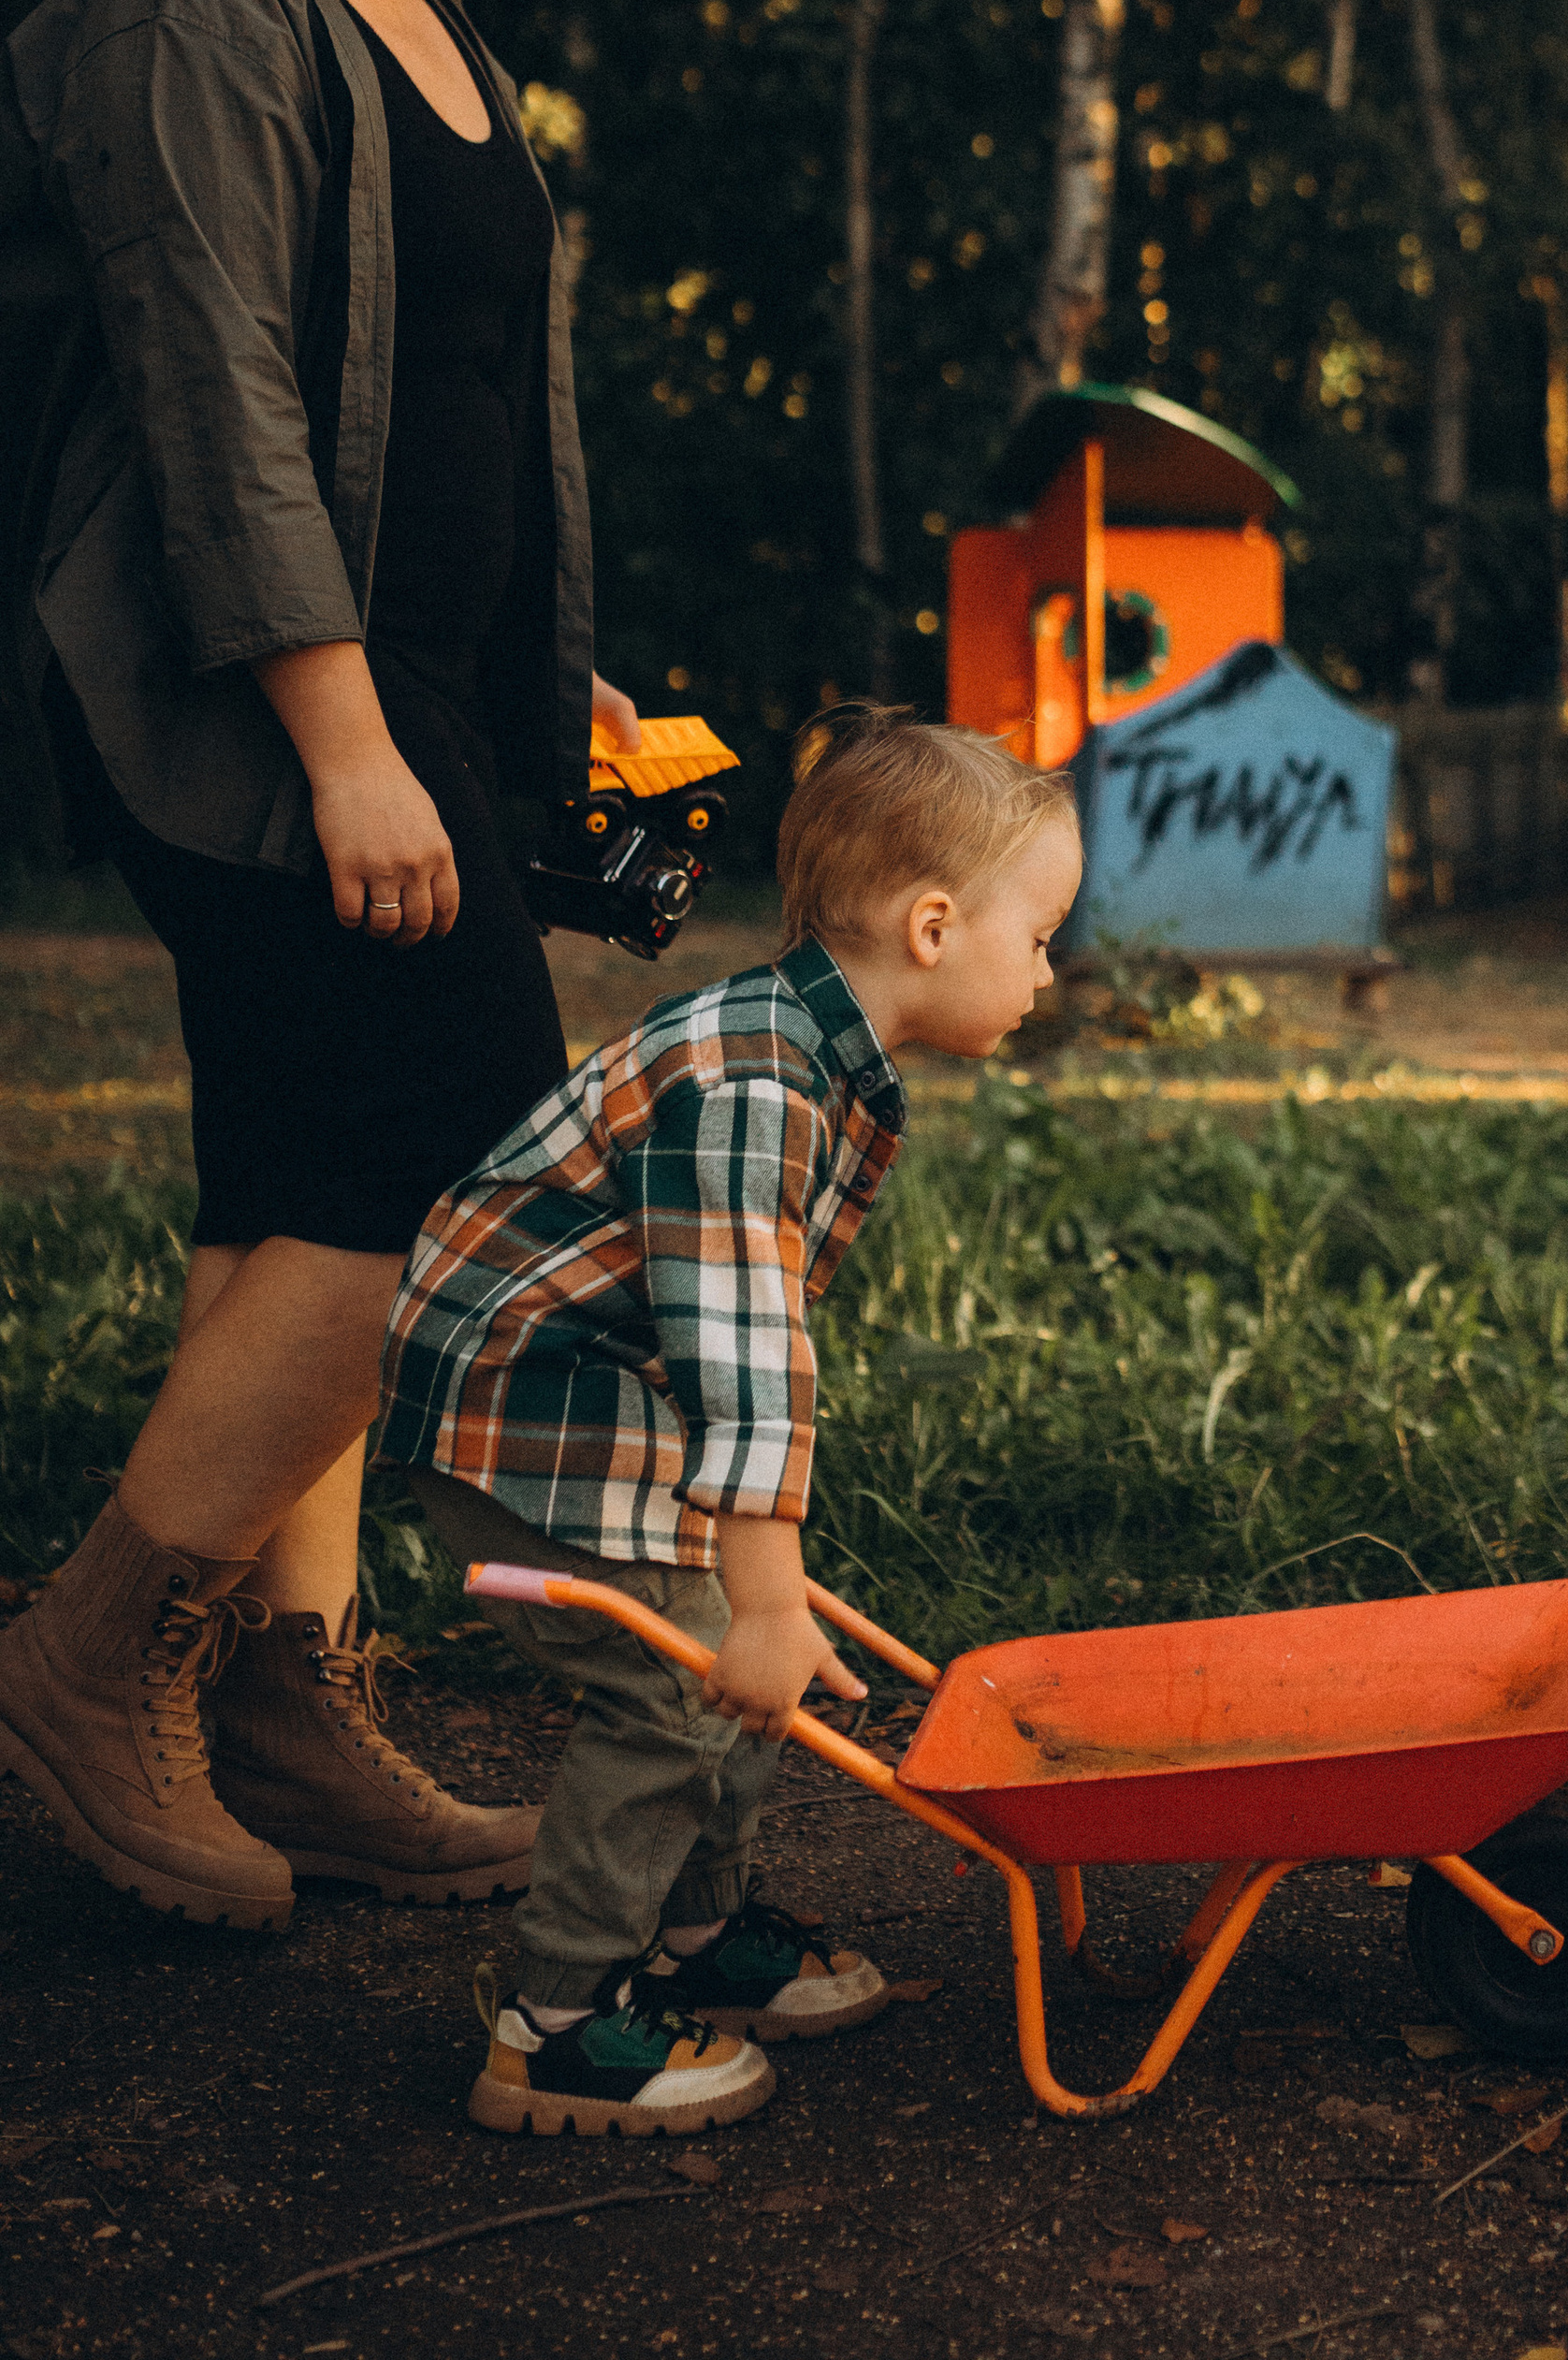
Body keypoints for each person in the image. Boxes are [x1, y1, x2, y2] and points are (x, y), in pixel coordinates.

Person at [0, 0, 640, 1931]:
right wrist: (346, 740)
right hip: (252, 699)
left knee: (292, 1190)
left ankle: (281, 1690)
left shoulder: (438, 15)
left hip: (424, 690)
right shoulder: (197, 10)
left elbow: (465, 392)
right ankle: (90, 1656)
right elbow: (214, 397)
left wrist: (527, 671)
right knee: (445, 1172)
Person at [377, 707, 1082, 2138]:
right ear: (936, 927)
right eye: (1042, 933)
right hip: (525, 1402)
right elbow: (744, 1360)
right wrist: (758, 1600)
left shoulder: (802, 1047)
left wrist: (755, 1595)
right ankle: (558, 2024)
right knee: (687, 1675)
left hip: (597, 1387)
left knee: (733, 1651)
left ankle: (696, 1932)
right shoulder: (756, 1085)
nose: (1049, 970)